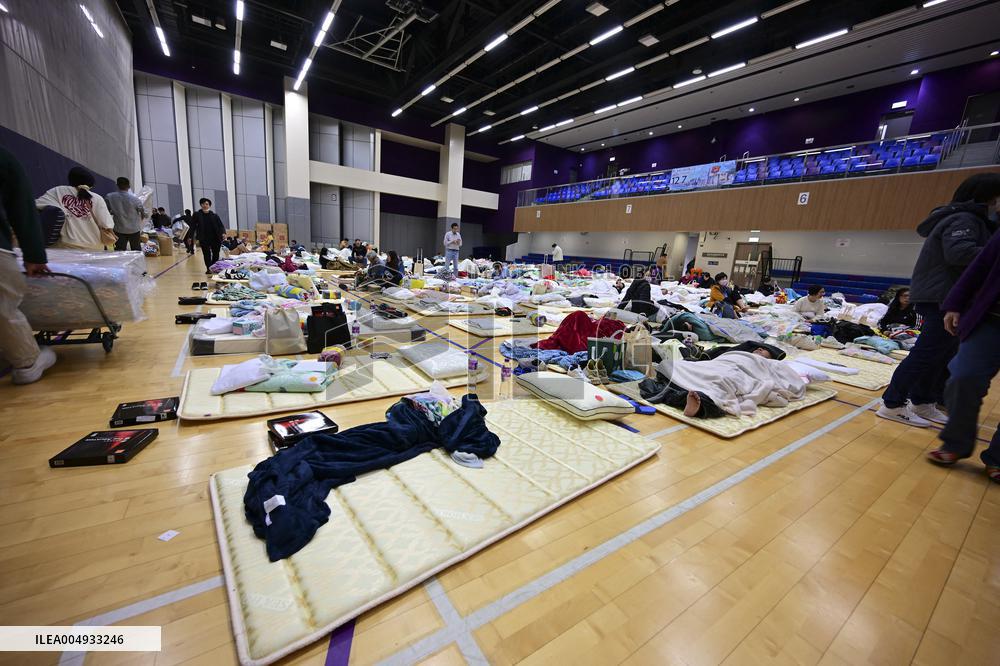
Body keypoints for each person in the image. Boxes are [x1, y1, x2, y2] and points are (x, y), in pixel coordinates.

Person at [878, 173, 1000, 427]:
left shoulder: (975, 221)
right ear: (989, 197)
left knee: (941, 354)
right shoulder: (963, 219)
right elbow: (960, 253)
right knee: (927, 352)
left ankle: (922, 401)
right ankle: (892, 403)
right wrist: (994, 254)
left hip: (949, 295)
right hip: (941, 296)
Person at [926, 220, 1000, 481]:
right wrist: (955, 303)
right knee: (962, 376)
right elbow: (980, 267)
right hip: (992, 318)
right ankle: (956, 443)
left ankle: (999, 458)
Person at [0, 148, 57, 384]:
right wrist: (34, 254)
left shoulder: (54, 193)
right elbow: (23, 209)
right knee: (5, 309)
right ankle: (27, 361)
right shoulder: (6, 160)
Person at [35, 166, 115, 250]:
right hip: (94, 247)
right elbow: (107, 224)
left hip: (66, 247)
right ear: (90, 183)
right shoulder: (98, 198)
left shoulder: (58, 191)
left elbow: (37, 204)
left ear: (70, 179)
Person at [105, 177, 145, 251]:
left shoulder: (109, 197)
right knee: (136, 251)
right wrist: (141, 221)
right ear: (129, 186)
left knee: (119, 251)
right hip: (134, 229)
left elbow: (106, 212)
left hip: (119, 229)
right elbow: (143, 213)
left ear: (117, 185)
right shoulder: (135, 199)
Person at [191, 197, 226, 274]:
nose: (205, 205)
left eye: (207, 204)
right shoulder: (197, 215)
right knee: (206, 254)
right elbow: (192, 226)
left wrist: (223, 233)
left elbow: (221, 225)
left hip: (215, 238)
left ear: (209, 205)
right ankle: (209, 268)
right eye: (203, 204)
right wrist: (191, 237)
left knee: (216, 254)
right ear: (201, 205)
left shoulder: (214, 215)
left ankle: (214, 267)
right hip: (204, 238)